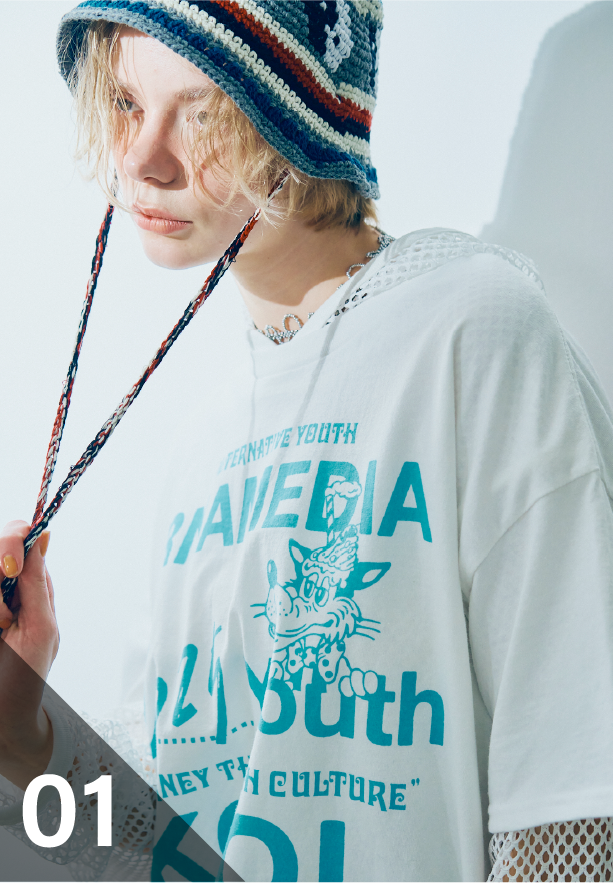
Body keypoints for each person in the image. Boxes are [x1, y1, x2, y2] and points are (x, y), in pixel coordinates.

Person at [1, 2, 612, 881]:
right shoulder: (202, 443)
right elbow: (158, 845)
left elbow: (574, 795)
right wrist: (28, 740)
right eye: (127, 103)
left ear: (304, 114)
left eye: (203, 113)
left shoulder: (471, 333)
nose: (141, 159)